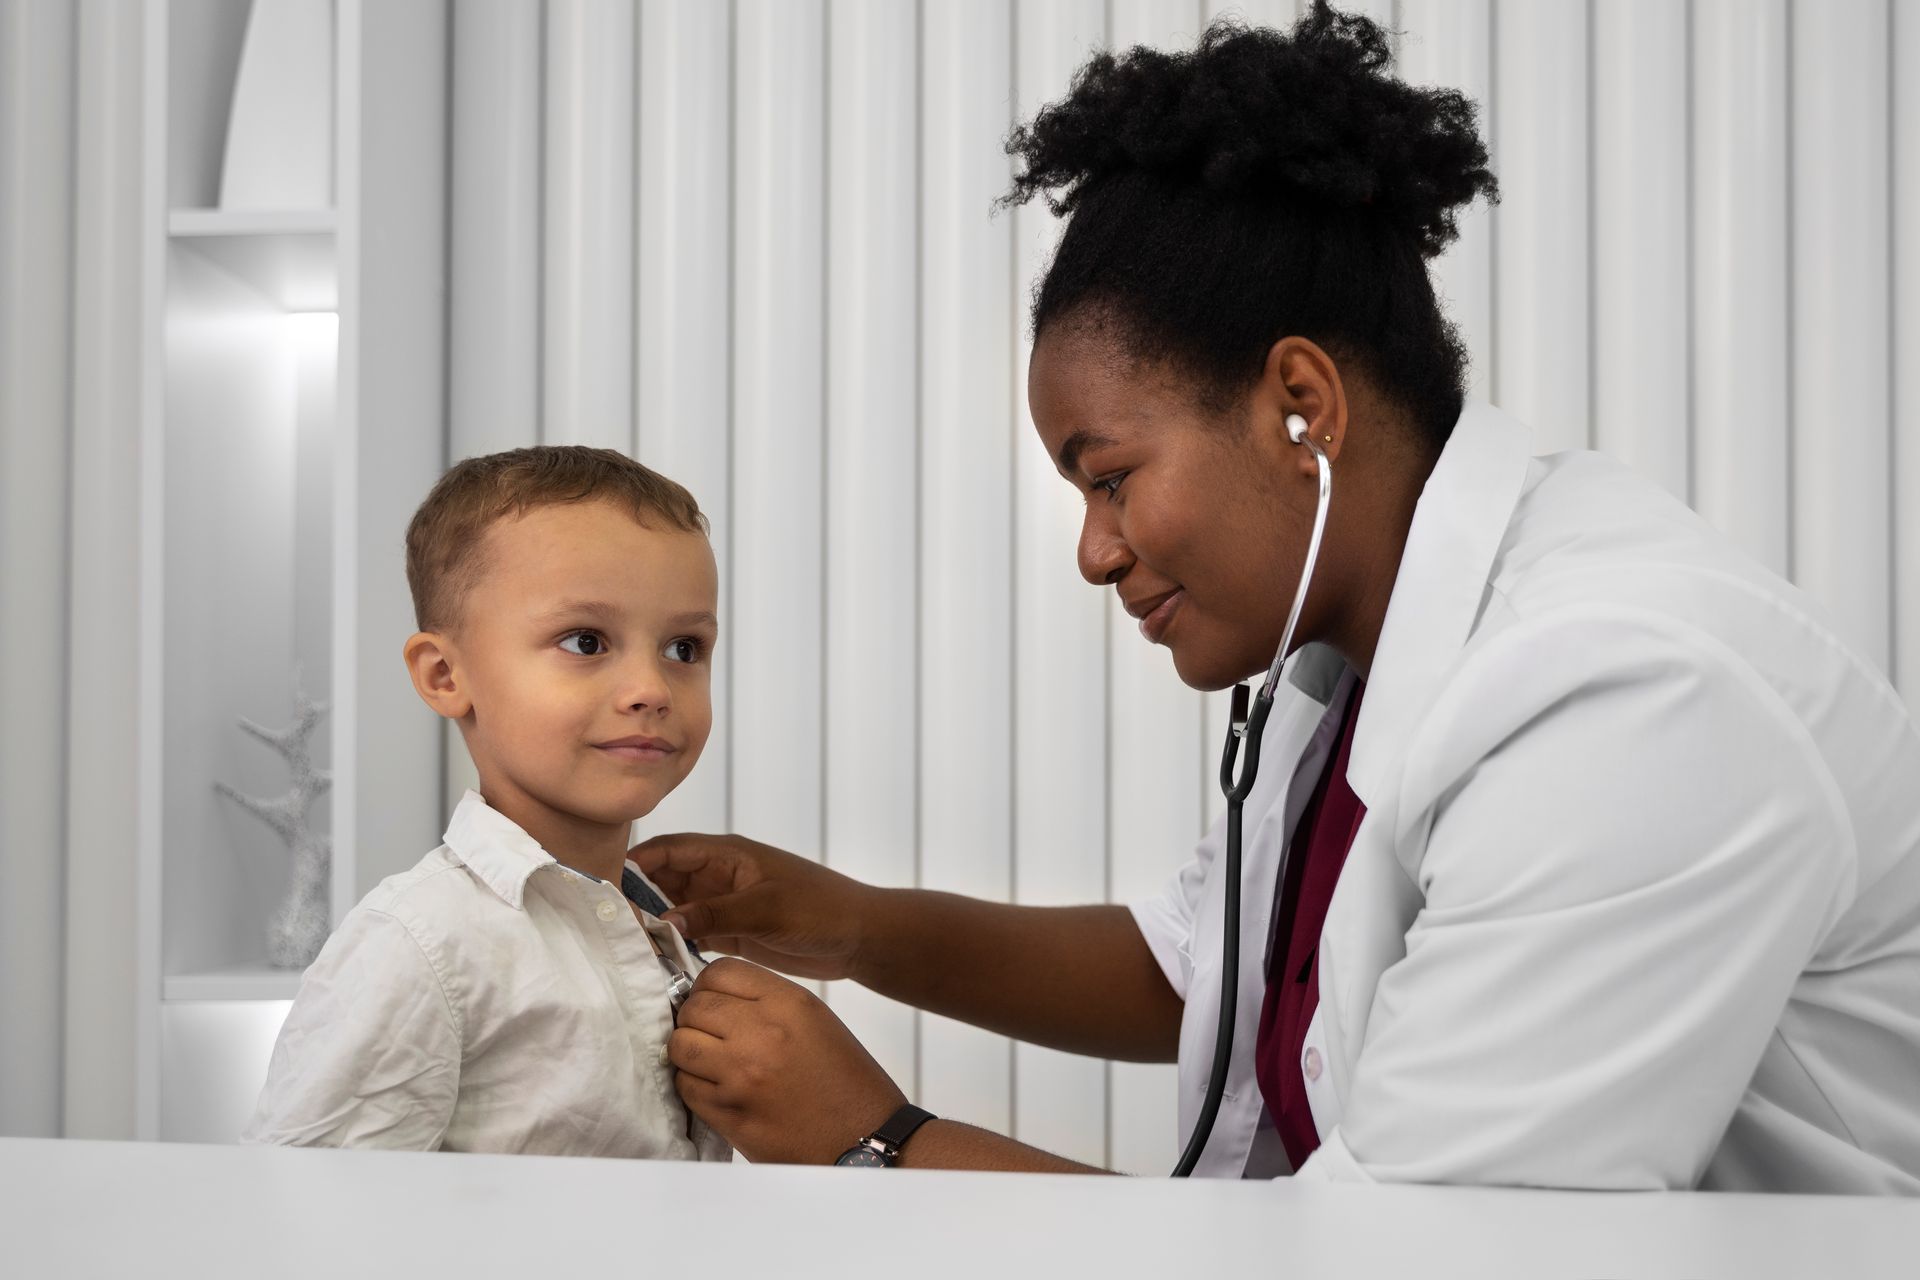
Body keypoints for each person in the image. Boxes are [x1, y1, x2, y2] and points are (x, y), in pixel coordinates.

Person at [642, 5, 1920, 1192]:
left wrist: (880, 1139)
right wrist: (854, 926)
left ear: (1298, 406)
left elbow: (1413, 1262)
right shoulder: (1359, 646)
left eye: (1112, 477)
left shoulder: (1629, 702)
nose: (1095, 550)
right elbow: (1204, 966)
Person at [245, 446, 729, 1161]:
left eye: (684, 649)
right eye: (586, 641)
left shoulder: (658, 926)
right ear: (445, 674)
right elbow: (305, 1210)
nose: (651, 688)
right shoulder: (419, 945)